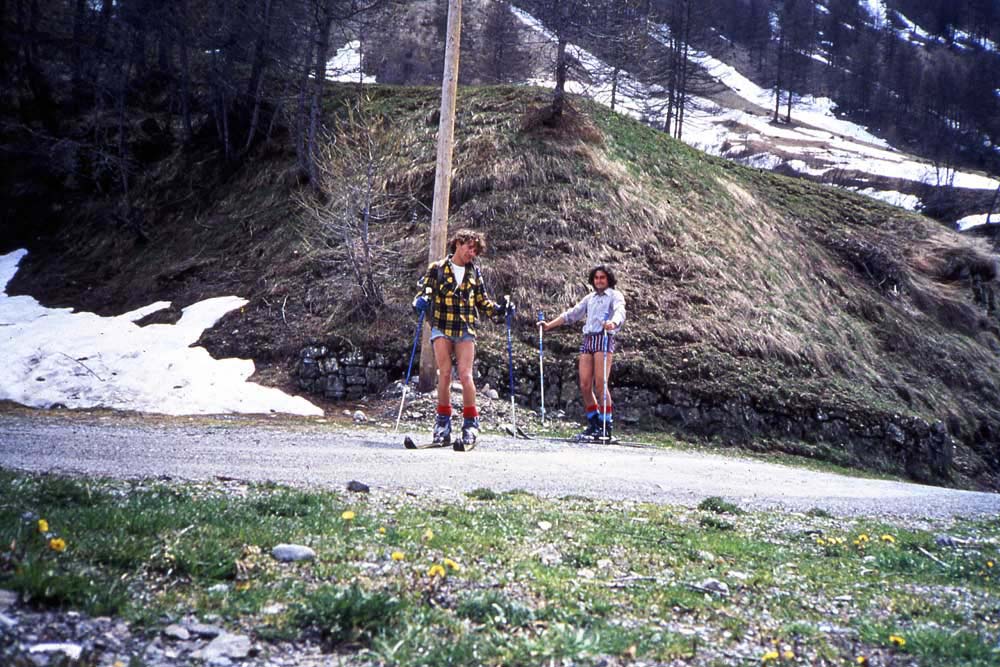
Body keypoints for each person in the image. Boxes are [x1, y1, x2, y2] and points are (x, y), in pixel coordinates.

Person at [412, 228, 512, 448]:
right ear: (458, 243)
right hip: (442, 325)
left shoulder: (474, 272)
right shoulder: (437, 268)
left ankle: (470, 424)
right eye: (469, 247)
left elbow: (483, 302)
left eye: (475, 250)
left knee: (466, 376)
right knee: (445, 374)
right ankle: (442, 425)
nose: (472, 252)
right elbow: (424, 291)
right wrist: (419, 302)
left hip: (465, 328)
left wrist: (500, 309)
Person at [540, 266, 626, 441]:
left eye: (602, 277)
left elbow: (620, 311)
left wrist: (613, 323)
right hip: (588, 339)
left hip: (604, 338)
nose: (599, 281)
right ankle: (593, 424)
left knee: (601, 384)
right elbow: (572, 314)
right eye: (596, 278)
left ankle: (605, 426)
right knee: (585, 385)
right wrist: (549, 325)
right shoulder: (590, 298)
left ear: (608, 279)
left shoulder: (614, 296)